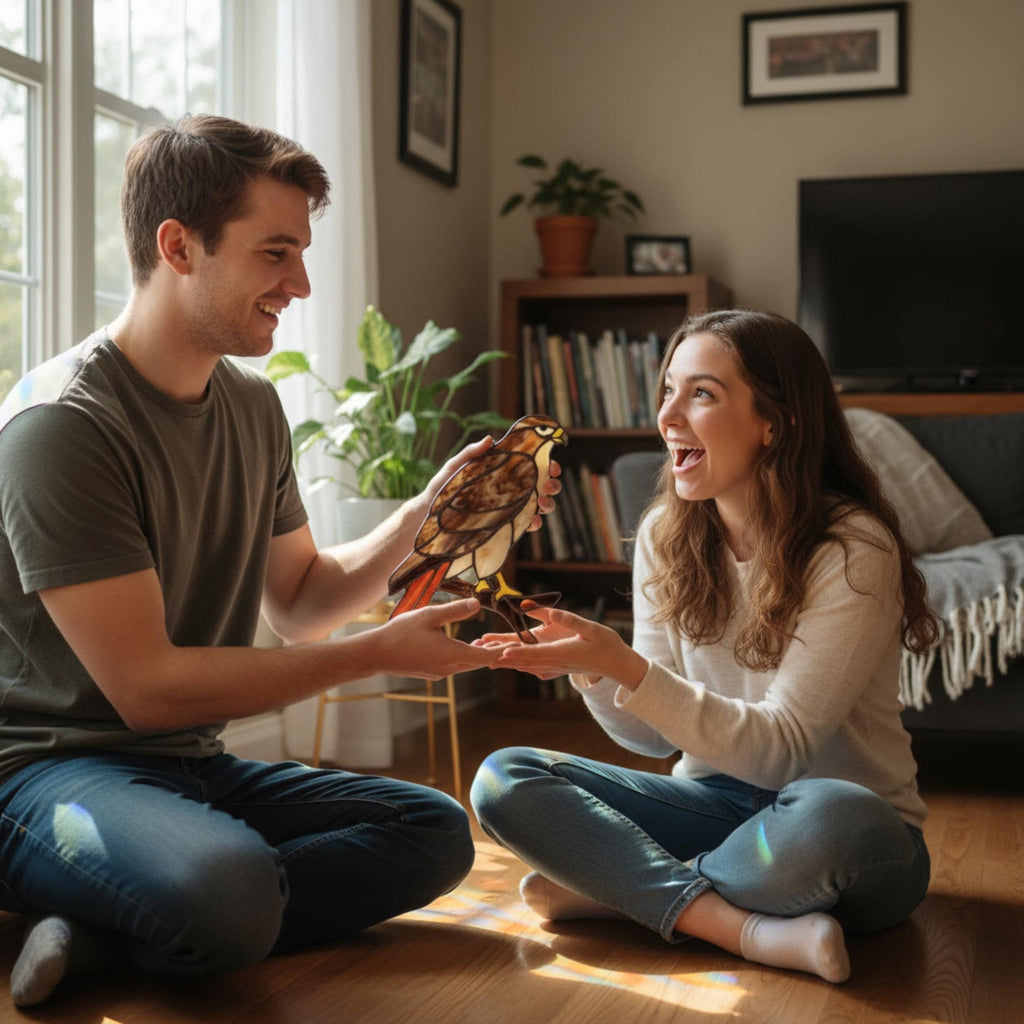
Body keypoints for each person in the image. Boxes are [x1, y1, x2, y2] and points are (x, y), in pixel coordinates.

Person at [0, 115, 538, 1007]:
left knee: (431, 830)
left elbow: (302, 600)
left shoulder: (251, 408)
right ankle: (109, 888)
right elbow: (146, 688)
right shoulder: (65, 427)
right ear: (179, 246)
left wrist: (427, 510)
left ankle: (106, 927)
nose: (301, 283)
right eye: (275, 253)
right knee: (228, 889)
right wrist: (378, 653)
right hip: (45, 772)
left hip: (187, 765)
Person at [470, 309, 939, 984]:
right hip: (715, 813)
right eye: (668, 390)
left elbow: (782, 750)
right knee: (504, 778)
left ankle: (622, 894)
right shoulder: (667, 533)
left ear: (774, 422)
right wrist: (593, 670)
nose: (669, 415)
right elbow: (649, 740)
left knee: (836, 815)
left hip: (843, 834)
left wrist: (622, 662)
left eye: (702, 394)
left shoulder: (852, 549)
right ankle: (735, 925)